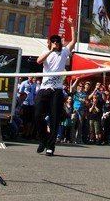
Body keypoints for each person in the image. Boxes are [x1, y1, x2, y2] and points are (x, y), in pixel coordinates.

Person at [34, 16, 76, 156]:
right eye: (53, 41)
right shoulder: (46, 52)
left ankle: (50, 146)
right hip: (44, 89)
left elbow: (73, 41)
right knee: (37, 115)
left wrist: (71, 25)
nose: (55, 43)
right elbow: (39, 61)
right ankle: (43, 139)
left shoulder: (64, 52)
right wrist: (51, 50)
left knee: (54, 118)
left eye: (57, 41)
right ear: (50, 43)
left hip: (57, 90)